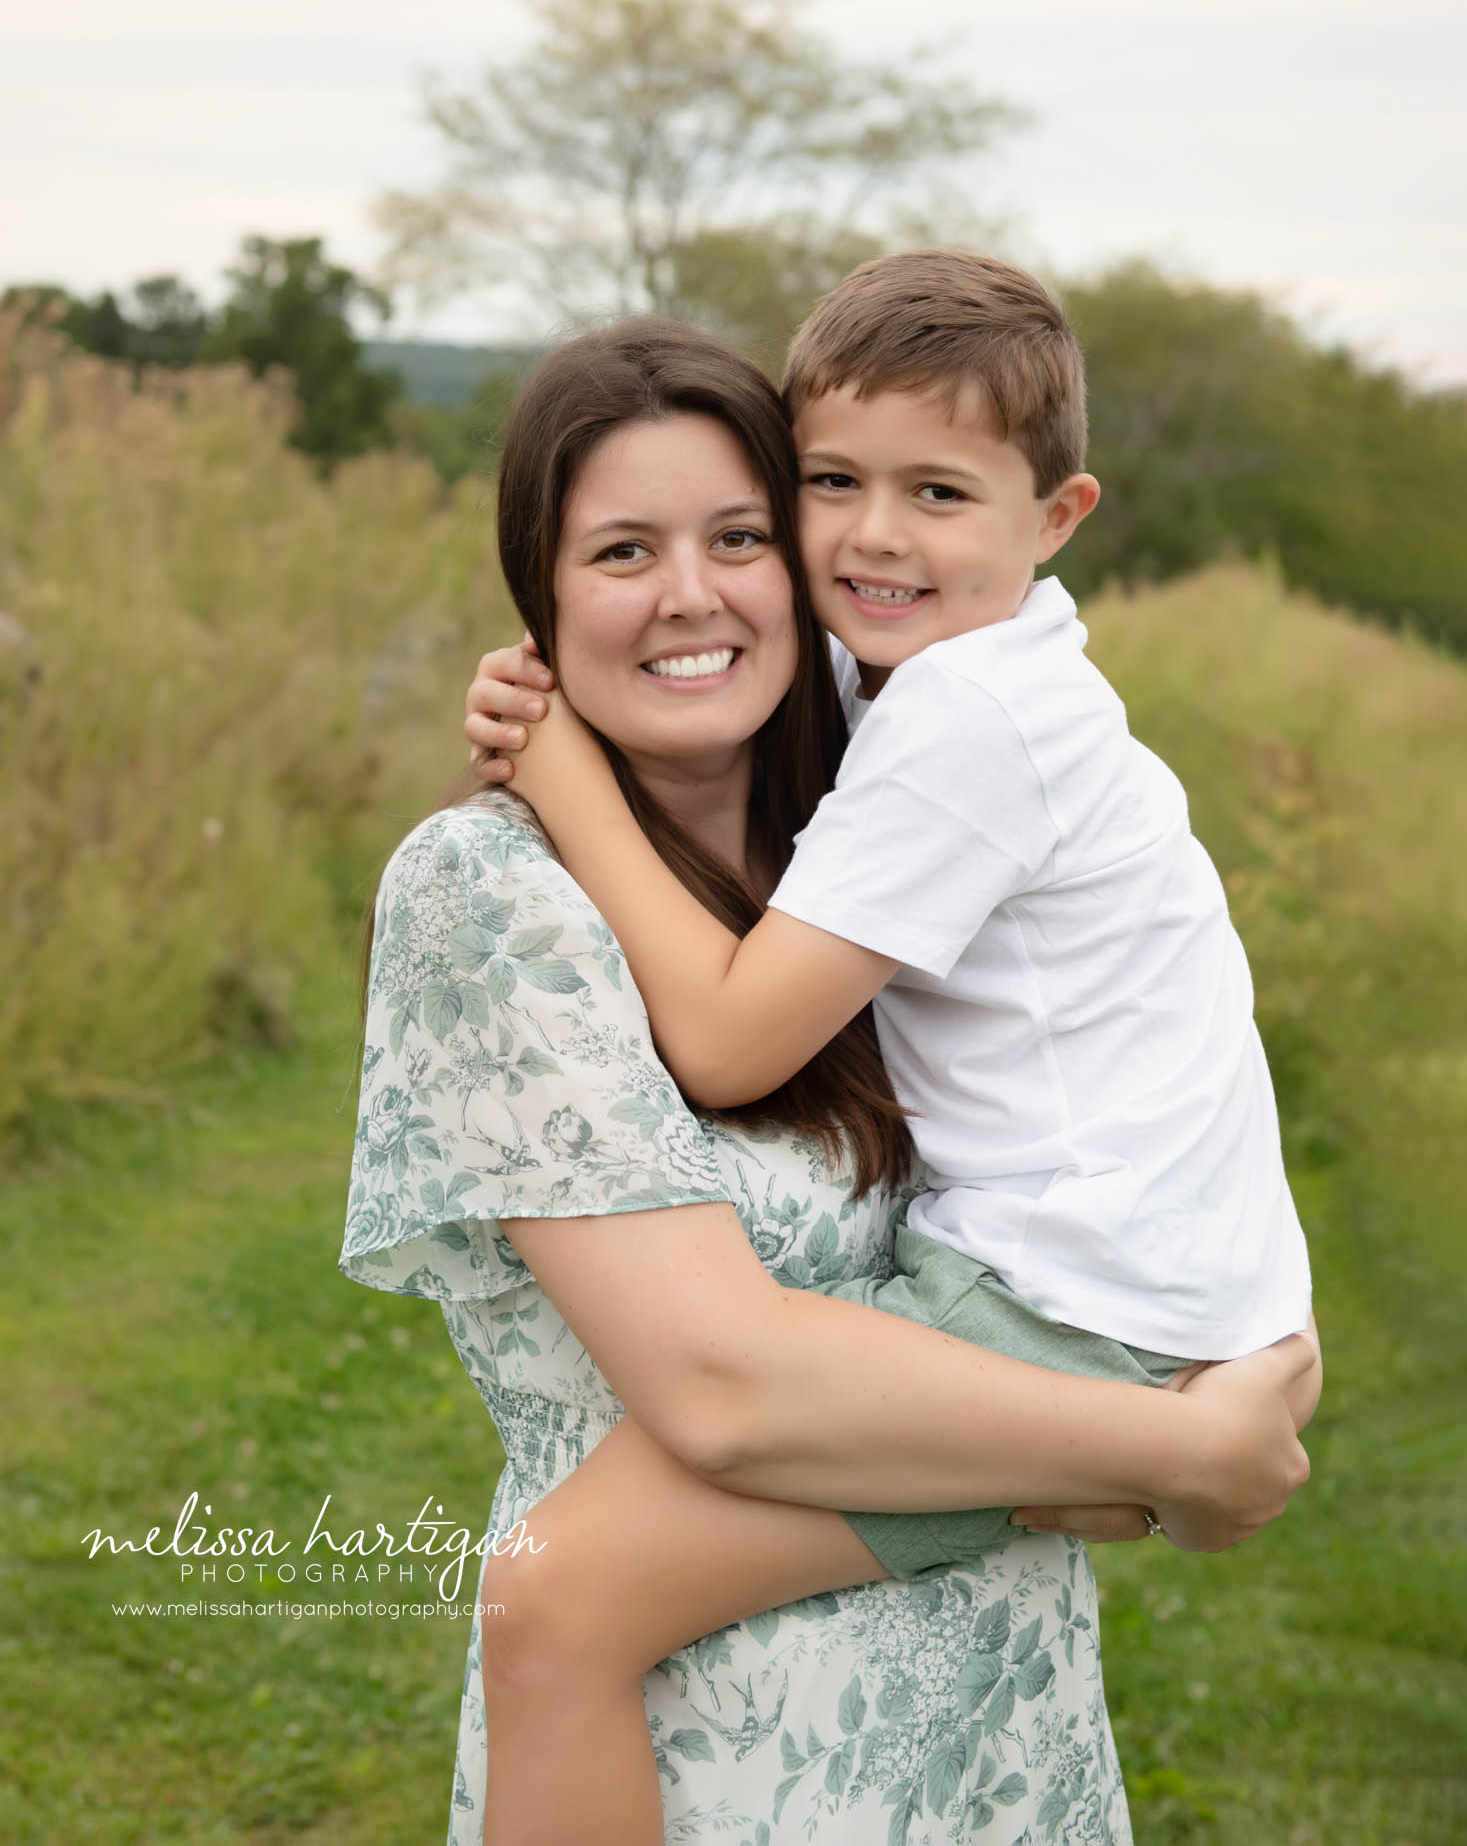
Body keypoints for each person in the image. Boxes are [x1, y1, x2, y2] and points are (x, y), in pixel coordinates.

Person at [345, 315, 1315, 1846]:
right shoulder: (495, 896)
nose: (689, 593)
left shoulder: (855, 840)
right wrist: (1180, 1450)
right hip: (735, 1768)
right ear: (536, 596)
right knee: (558, 1599)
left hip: (996, 1740)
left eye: (736, 533)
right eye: (617, 553)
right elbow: (721, 1383)